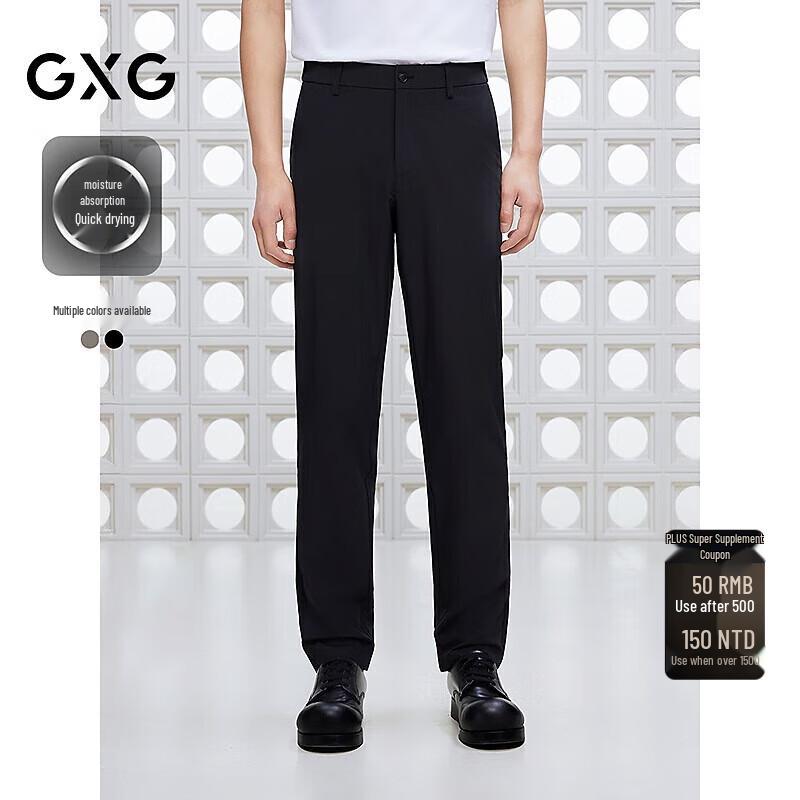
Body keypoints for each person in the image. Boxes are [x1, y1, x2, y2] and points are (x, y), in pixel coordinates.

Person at [240, 0, 546, 752]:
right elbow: (263, 10)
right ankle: (336, 663)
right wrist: (269, 167)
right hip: (334, 109)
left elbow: (521, 5)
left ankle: (476, 661)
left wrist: (527, 152)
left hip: (456, 107)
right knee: (334, 394)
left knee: (466, 396)